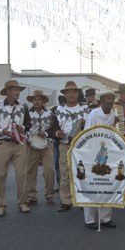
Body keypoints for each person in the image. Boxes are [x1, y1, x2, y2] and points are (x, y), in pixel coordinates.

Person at [0, 80, 32, 217]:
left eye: (18, 90)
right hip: (3, 143)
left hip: (19, 143)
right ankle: (1, 205)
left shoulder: (23, 105)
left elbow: (28, 123)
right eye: (14, 90)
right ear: (7, 92)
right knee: (0, 175)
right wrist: (0, 130)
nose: (17, 92)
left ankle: (22, 202)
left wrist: (22, 128)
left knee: (22, 174)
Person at [48, 81, 90, 212]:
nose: (71, 94)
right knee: (65, 174)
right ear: (65, 94)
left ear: (78, 94)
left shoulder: (86, 109)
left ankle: (82, 200)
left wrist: (83, 125)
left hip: (82, 147)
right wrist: (56, 133)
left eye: (74, 92)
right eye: (68, 92)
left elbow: (93, 127)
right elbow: (51, 128)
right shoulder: (57, 110)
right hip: (64, 145)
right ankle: (66, 201)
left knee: (82, 173)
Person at [83, 90, 118, 230]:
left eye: (112, 98)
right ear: (101, 100)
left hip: (106, 154)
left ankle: (105, 218)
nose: (110, 100)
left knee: (106, 185)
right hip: (92, 153)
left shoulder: (112, 115)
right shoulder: (93, 114)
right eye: (107, 98)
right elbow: (86, 134)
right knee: (91, 186)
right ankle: (89, 219)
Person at [25, 90, 55, 205]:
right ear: (32, 101)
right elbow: (25, 128)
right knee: (30, 171)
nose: (36, 101)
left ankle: (49, 195)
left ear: (43, 101)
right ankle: (31, 196)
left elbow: (53, 128)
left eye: (39, 99)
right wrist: (28, 139)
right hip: (31, 146)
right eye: (34, 99)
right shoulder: (26, 113)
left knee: (49, 170)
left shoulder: (50, 113)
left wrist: (46, 134)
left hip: (47, 144)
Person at [51, 95, 66, 192]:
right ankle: (61, 185)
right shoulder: (55, 110)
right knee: (58, 165)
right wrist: (56, 133)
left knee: (59, 165)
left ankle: (62, 186)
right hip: (58, 142)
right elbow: (52, 126)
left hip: (60, 142)